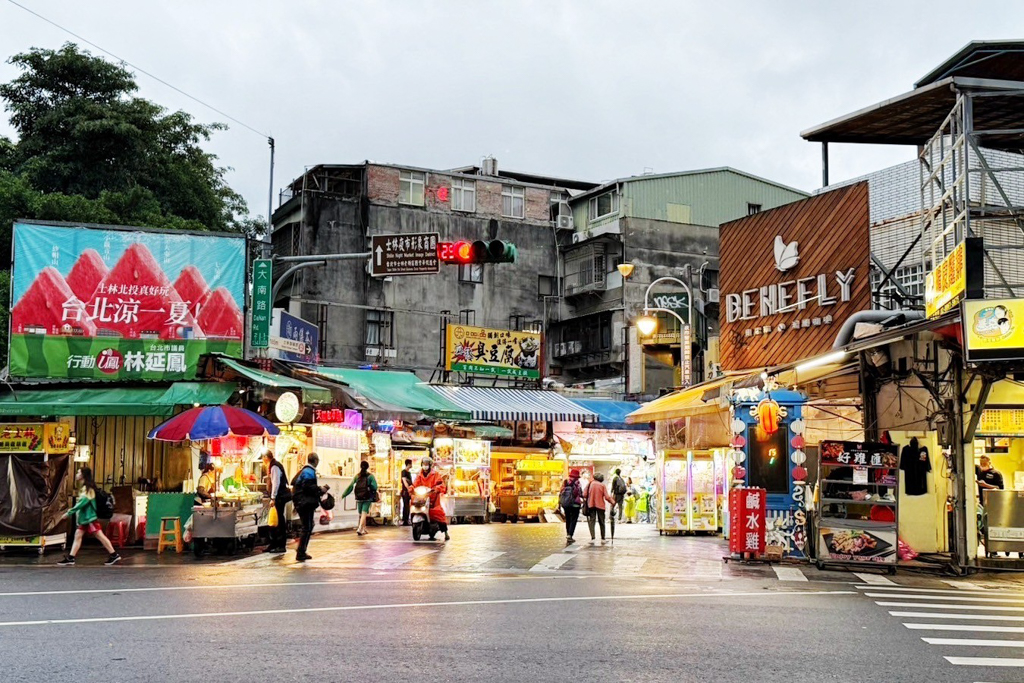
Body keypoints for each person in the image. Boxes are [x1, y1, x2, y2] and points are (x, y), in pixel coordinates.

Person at [57, 467, 120, 566]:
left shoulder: (88, 489)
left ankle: (114, 554)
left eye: (78, 472)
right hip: (85, 519)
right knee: (78, 536)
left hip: (90, 519)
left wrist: (69, 513)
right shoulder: (86, 488)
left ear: (83, 475)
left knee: (100, 536)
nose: (76, 474)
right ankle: (71, 557)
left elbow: (82, 503)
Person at [291, 453, 328, 562]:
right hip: (305, 503)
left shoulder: (303, 470)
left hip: (301, 502)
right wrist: (320, 490)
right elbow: (308, 487)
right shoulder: (309, 472)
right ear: (316, 461)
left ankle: (301, 550)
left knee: (308, 525)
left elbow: (295, 482)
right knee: (307, 527)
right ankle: (301, 552)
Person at [413, 456, 449, 541]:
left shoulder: (435, 474)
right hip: (422, 497)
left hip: (433, 497)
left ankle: (446, 532)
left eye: (426, 464)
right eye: (423, 464)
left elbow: (441, 484)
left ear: (430, 465)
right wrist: (411, 488)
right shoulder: (419, 475)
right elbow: (415, 484)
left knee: (439, 513)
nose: (425, 466)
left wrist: (437, 489)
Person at [263, 449, 291, 554]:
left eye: (263, 458)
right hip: (278, 496)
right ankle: (273, 544)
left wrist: (273, 497)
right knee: (274, 521)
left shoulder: (274, 466)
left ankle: (281, 545)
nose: (262, 461)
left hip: (280, 497)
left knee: (279, 521)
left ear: (266, 457)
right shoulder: (274, 465)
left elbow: (276, 482)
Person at [342, 460, 378, 536]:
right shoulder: (370, 476)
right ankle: (360, 528)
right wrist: (370, 487)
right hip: (367, 496)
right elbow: (375, 486)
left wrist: (344, 494)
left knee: (361, 513)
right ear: (367, 467)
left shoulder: (357, 476)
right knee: (364, 513)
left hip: (358, 496)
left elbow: (350, 486)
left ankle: (364, 528)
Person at [585, 472, 616, 544]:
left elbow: (584, 494)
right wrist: (613, 502)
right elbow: (607, 497)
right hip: (600, 506)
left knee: (592, 521)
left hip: (591, 505)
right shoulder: (602, 485)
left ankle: (593, 537)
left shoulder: (589, 484)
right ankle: (603, 538)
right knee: (601, 521)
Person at [559, 468, 584, 544]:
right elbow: (579, 493)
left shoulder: (565, 482)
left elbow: (561, 491)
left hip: (566, 504)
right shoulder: (577, 482)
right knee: (574, 520)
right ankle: (570, 535)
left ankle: (568, 534)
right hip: (575, 504)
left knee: (568, 519)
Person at [400, 459, 414, 526]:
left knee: (407, 506)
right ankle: (405, 520)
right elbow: (404, 481)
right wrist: (408, 488)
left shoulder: (409, 473)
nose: (412, 465)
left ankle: (407, 520)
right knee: (405, 505)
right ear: (408, 464)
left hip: (408, 491)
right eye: (411, 464)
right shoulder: (404, 472)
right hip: (405, 491)